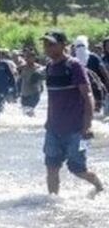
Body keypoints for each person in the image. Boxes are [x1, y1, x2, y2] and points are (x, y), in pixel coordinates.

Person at [40, 31, 103, 197]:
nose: (47, 48)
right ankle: (53, 202)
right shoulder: (49, 67)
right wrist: (48, 122)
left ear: (63, 45)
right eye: (45, 44)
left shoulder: (73, 65)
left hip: (75, 129)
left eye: (51, 44)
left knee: (78, 169)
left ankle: (99, 187)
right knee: (51, 167)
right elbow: (53, 98)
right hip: (53, 129)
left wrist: (88, 125)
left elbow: (88, 95)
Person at [17, 50, 46, 116]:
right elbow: (18, 78)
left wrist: (42, 86)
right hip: (24, 92)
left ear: (34, 58)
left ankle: (34, 121)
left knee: (30, 110)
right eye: (26, 57)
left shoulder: (38, 67)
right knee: (25, 112)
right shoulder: (21, 67)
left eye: (30, 57)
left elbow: (42, 78)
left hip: (35, 93)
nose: (28, 59)